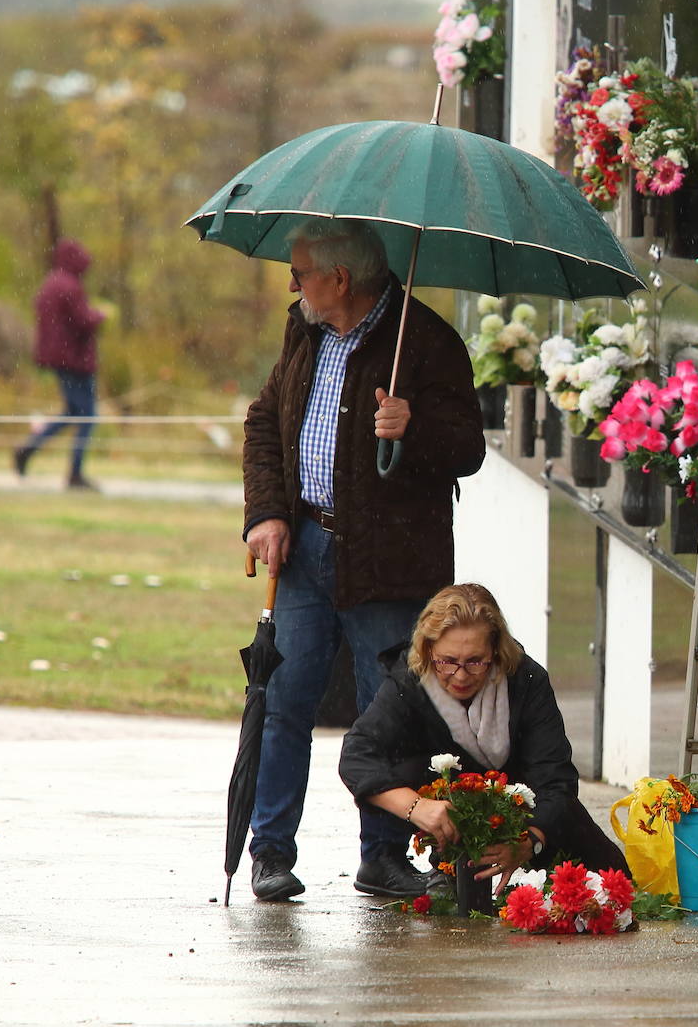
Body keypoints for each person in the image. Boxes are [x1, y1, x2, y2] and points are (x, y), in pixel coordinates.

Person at [242, 218, 485, 902]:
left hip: (389, 564)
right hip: (306, 549)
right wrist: (266, 514)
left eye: (302, 272)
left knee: (389, 713)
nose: (293, 283)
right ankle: (270, 851)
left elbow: (467, 446)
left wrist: (415, 428)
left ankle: (382, 856)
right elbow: (264, 419)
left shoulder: (427, 341)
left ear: (340, 279)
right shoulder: (306, 329)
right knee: (283, 699)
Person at [339, 583, 630, 895]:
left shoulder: (527, 680)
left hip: (530, 822)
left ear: (496, 650)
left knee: (612, 887)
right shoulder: (410, 681)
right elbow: (356, 754)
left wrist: (526, 842)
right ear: (428, 650)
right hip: (452, 825)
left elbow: (556, 782)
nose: (461, 676)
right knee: (399, 762)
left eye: (475, 661)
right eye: (447, 661)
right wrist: (417, 807)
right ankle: (439, 864)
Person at [14, 238, 106, 490]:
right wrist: (100, 315)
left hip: (60, 359)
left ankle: (28, 449)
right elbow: (82, 320)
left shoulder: (51, 284)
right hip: (75, 360)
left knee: (74, 412)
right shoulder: (69, 286)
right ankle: (75, 473)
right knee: (87, 416)